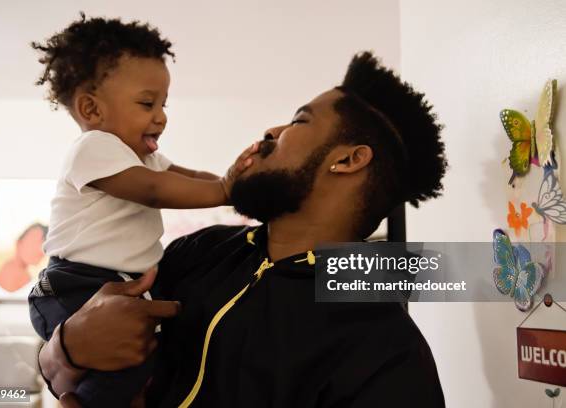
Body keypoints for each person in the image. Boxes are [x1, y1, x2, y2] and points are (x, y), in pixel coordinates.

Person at [38, 51, 448, 407]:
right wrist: (66, 349)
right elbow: (61, 371)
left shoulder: (385, 352)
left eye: (298, 122)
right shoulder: (195, 254)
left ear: (347, 160)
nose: (272, 131)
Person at [27, 14, 256, 408]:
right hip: (72, 283)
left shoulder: (142, 159)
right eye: (147, 103)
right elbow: (154, 191)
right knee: (130, 363)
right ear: (91, 109)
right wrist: (225, 189)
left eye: (164, 104)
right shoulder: (94, 148)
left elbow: (188, 175)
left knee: (141, 363)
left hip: (111, 281)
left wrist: (235, 185)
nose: (162, 116)